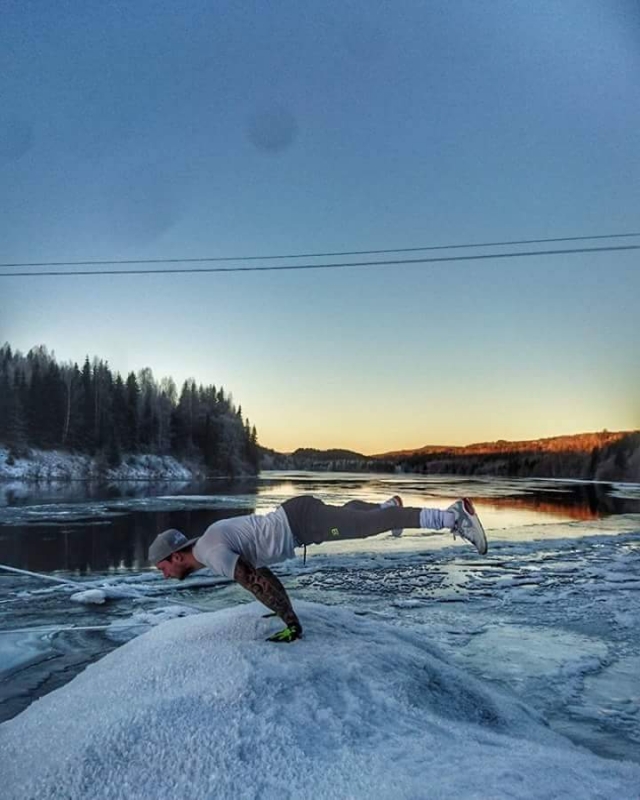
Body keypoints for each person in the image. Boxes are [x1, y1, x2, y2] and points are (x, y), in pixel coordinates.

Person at [148, 495, 487, 643]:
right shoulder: (210, 544)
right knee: (356, 519)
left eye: (161, 567)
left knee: (366, 527)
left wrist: (291, 625)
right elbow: (262, 576)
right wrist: (287, 615)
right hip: (298, 519)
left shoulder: (210, 551)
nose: (163, 574)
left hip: (302, 522)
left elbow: (256, 581)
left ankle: (451, 517)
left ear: (177, 556)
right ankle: (387, 508)